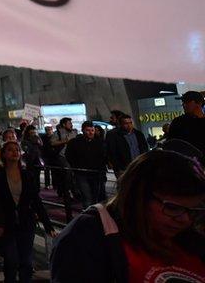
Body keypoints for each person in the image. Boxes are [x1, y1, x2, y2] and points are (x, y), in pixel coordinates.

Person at [51, 149, 205, 282]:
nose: (185, 219)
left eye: (194, 210)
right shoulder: (87, 236)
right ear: (138, 196)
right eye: (172, 207)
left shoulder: (189, 236)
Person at [0, 141, 56, 283]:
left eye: (17, 150)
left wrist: (48, 224)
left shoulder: (27, 174)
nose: (14, 152)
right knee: (11, 260)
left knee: (26, 261)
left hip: (26, 222)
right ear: (4, 154)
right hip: (6, 224)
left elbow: (36, 200)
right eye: (10, 150)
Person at [66, 121, 107, 209]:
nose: (90, 132)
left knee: (97, 197)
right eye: (87, 130)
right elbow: (69, 155)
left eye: (92, 130)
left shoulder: (99, 142)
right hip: (81, 173)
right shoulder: (74, 142)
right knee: (87, 197)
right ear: (83, 130)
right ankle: (89, 216)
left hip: (96, 173)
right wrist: (76, 167)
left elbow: (104, 157)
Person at [167, 90, 205, 162]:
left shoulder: (178, 122)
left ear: (199, 103)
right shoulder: (178, 122)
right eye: (183, 102)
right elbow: (171, 144)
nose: (184, 105)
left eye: (187, 102)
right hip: (184, 165)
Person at [50, 117, 77, 199]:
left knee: (74, 174)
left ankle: (74, 191)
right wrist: (65, 141)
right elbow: (52, 143)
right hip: (62, 156)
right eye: (69, 123)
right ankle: (66, 191)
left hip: (73, 157)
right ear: (64, 124)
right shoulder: (58, 132)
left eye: (71, 123)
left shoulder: (74, 132)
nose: (71, 125)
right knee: (67, 172)